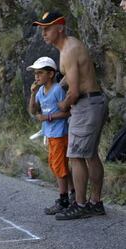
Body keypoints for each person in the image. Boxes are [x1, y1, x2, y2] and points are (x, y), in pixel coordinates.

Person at [33, 11, 108, 220]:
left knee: (75, 155)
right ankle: (95, 203)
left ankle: (81, 204)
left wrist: (62, 105)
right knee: (90, 155)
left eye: (47, 28)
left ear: (60, 28)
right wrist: (61, 82)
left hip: (86, 104)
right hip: (94, 101)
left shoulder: (68, 50)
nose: (43, 33)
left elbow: (74, 92)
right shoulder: (68, 46)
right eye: (42, 29)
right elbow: (72, 76)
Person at [27, 56, 75, 214]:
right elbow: (33, 111)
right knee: (57, 166)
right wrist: (33, 94)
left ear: (51, 74)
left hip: (60, 134)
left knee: (58, 166)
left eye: (40, 73)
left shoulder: (57, 90)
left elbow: (67, 112)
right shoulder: (40, 90)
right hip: (51, 134)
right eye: (35, 74)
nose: (36, 77)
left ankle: (63, 199)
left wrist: (48, 117)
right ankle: (72, 194)